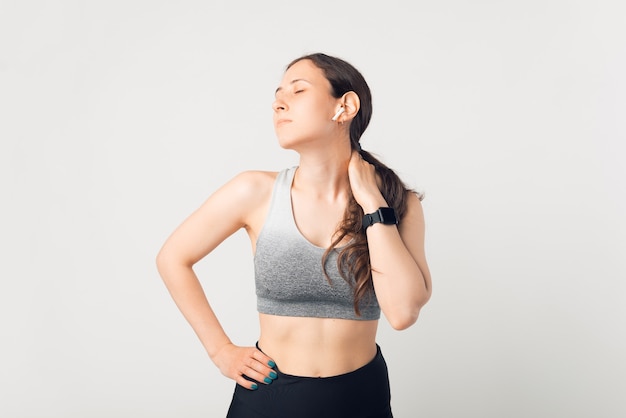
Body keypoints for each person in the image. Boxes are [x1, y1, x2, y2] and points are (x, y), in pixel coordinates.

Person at [156, 52, 432, 418]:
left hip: (360, 398)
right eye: (277, 94)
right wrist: (220, 349)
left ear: (345, 106)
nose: (278, 103)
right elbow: (172, 258)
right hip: (269, 396)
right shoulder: (254, 191)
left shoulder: (398, 203)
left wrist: (371, 203)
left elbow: (401, 313)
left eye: (298, 90)